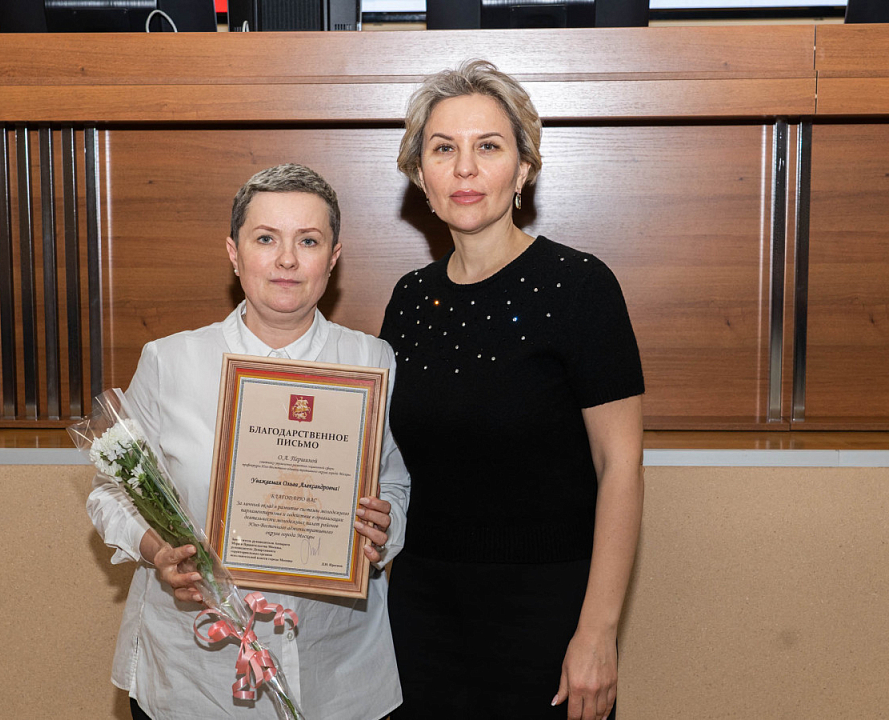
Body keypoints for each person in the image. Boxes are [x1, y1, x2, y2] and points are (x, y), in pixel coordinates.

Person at [88, 163, 409, 720]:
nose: (287, 260)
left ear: (333, 257)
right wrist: (158, 552)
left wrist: (386, 529)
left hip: (337, 671)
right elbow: (111, 493)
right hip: (193, 676)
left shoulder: (372, 361)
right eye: (265, 239)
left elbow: (397, 484)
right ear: (234, 254)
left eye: (308, 241)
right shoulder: (170, 361)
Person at [379, 60, 645, 720]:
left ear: (523, 169)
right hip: (420, 619)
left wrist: (598, 633)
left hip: (547, 620)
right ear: (421, 175)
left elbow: (621, 467)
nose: (465, 169)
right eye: (444, 149)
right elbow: (393, 464)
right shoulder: (408, 301)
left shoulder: (581, 287)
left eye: (489, 147)